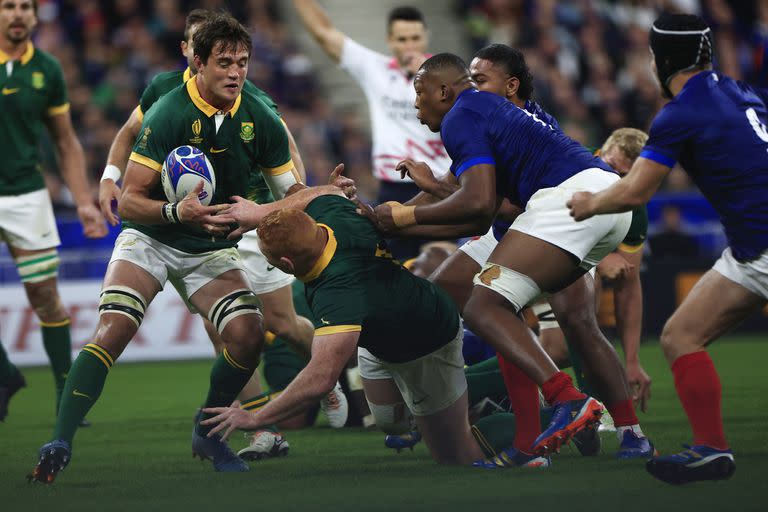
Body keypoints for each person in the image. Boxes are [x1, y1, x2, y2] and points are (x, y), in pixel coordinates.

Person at [29, 13, 304, 483]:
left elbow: (292, 191)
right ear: (198, 63)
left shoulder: (259, 114)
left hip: (209, 247)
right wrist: (176, 212)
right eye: (223, 62)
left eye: (242, 62)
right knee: (113, 330)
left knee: (248, 334)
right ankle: (59, 441)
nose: (235, 72)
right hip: (152, 238)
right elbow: (133, 202)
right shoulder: (169, 109)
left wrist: (273, 211)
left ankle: (208, 431)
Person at [97, 9, 349, 456]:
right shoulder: (163, 91)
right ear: (191, 53)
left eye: (236, 58)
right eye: (208, 51)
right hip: (203, 222)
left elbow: (286, 151)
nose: (225, 65)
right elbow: (127, 132)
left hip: (256, 215)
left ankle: (328, 376)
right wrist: (109, 178)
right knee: (226, 329)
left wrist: (290, 207)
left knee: (281, 322)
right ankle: (260, 427)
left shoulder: (250, 97)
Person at [370, 52, 633, 466]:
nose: (415, 106)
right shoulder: (492, 112)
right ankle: (531, 442)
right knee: (486, 307)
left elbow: (479, 205)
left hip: (562, 205)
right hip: (586, 203)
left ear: (444, 90)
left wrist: (402, 215)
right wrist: (390, 222)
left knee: (491, 307)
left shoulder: (464, 112)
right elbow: (470, 201)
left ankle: (569, 401)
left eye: (419, 95)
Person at [568, 13, 768, 485]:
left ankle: (712, 448)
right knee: (680, 335)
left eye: (652, 55)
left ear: (662, 60)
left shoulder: (679, 114)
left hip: (761, 246)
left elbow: (635, 191)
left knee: (681, 337)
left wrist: (589, 203)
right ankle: (711, 451)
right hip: (750, 251)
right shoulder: (742, 92)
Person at [200, 186, 486, 466]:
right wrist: (263, 211)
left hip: (427, 343)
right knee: (390, 423)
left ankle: (501, 417)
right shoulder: (334, 216)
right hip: (381, 338)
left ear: (286, 263)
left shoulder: (338, 291)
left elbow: (321, 377)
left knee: (455, 456)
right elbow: (322, 192)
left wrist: (256, 417)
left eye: (269, 258)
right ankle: (448, 406)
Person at [0, 0, 107, 421]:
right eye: (9, 6)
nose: (18, 14)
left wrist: (83, 201)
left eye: (26, 6)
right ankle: (6, 373)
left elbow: (65, 142)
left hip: (28, 196)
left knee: (45, 297)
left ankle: (68, 394)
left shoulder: (47, 69)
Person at [292, 0, 451, 260]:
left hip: (438, 186)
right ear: (390, 40)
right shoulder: (375, 68)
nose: (409, 46)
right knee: (397, 267)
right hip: (393, 188)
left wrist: (431, 77)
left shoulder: (450, 77)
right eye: (402, 39)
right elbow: (324, 33)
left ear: (426, 38)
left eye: (415, 38)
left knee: (442, 261)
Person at [536, 128, 653, 418]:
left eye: (625, 176)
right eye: (612, 167)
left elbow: (629, 284)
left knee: (559, 349)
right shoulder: (569, 163)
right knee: (586, 287)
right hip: (520, 253)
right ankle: (591, 406)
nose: (615, 178)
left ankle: (483, 391)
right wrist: (600, 261)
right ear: (599, 152)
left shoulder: (631, 205)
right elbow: (538, 224)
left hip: (557, 271)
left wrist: (633, 360)